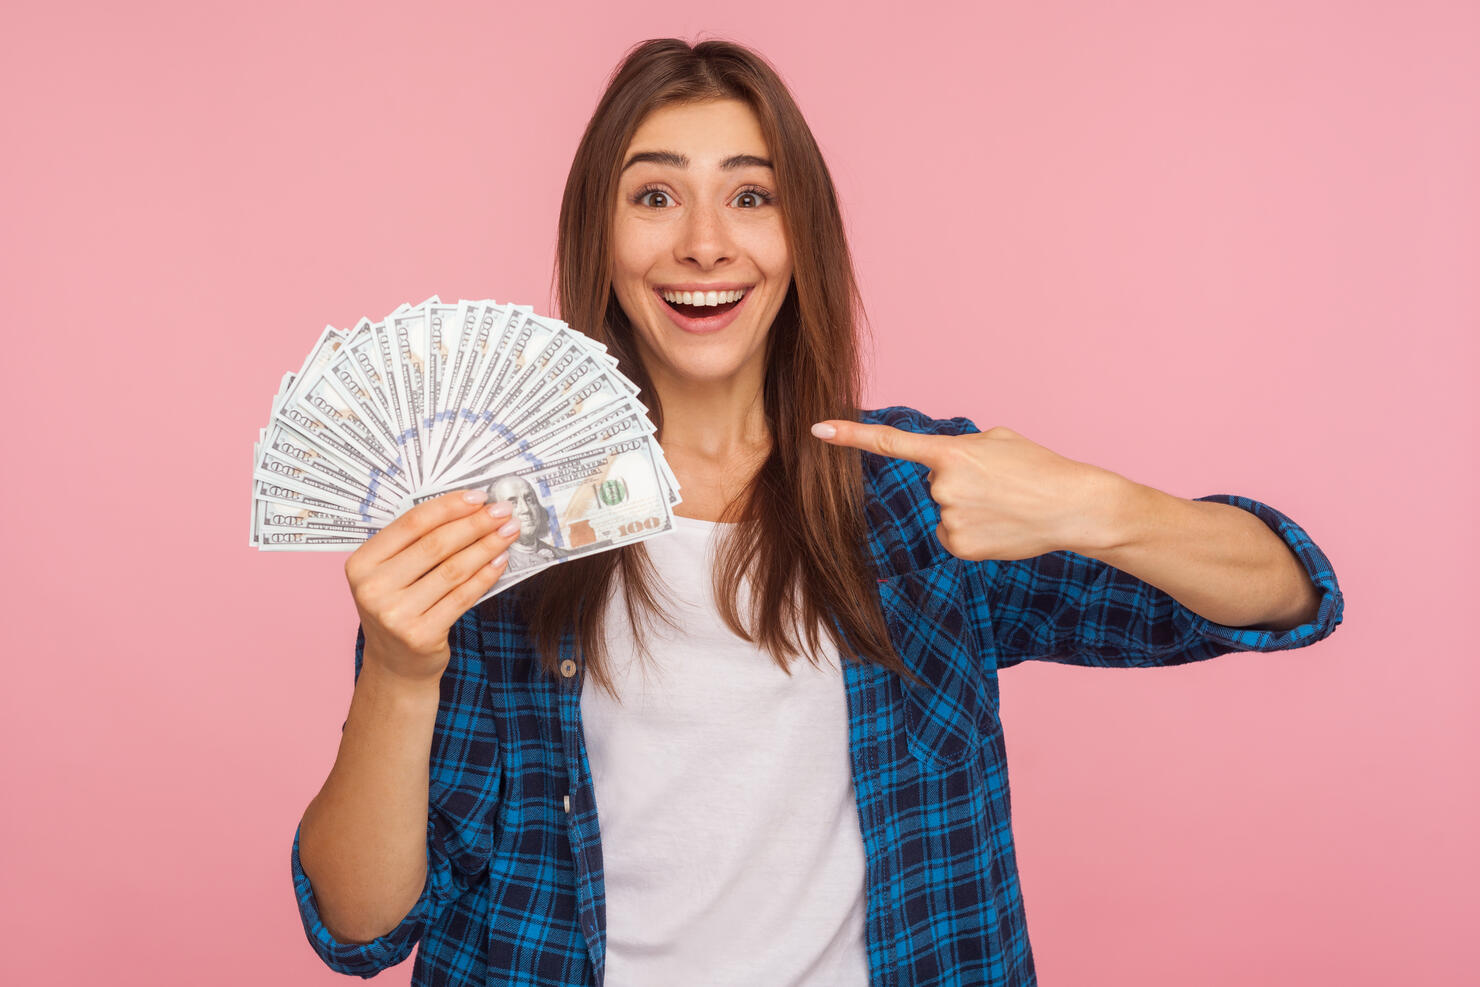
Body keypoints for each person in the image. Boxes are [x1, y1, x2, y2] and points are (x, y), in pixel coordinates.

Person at [290, 38, 1345, 987]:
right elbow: (360, 928)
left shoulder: (912, 496)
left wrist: (1097, 507)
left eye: (751, 197)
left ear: (803, 236)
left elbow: (1287, 591)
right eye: (654, 197)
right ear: (599, 237)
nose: (705, 244)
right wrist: (397, 669)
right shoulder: (499, 524)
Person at [485, 473, 571, 571]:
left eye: (529, 500)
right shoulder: (492, 568)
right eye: (513, 503)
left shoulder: (564, 556)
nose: (526, 509)